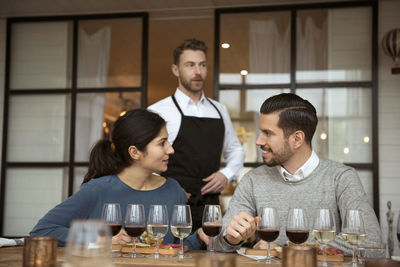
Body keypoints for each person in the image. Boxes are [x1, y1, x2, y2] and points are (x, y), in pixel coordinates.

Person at [210, 93, 382, 255]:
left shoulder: (341, 178)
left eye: (268, 133)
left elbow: (373, 244)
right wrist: (230, 239)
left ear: (297, 139)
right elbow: (214, 245)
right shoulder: (253, 180)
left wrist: (285, 250)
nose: (258, 141)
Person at [30, 109, 207, 249]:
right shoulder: (98, 189)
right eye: (162, 143)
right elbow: (42, 231)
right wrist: (101, 238)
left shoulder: (173, 190)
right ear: (135, 152)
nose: (171, 150)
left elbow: (175, 248)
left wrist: (199, 237)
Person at [148, 38, 245, 230]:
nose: (198, 72)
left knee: (212, 257)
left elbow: (236, 150)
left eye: (202, 65)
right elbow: (143, 160)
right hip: (171, 204)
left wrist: (225, 174)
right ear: (176, 70)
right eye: (190, 65)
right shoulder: (158, 110)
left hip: (210, 207)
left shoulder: (219, 109)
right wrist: (166, 187)